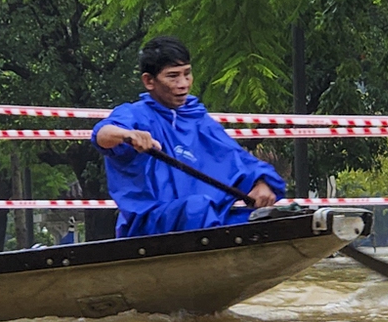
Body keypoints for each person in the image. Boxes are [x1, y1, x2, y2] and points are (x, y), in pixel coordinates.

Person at [93, 35, 286, 237]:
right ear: (149, 81)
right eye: (173, 76)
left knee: (265, 220)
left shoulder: (200, 120)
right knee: (197, 207)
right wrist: (128, 135)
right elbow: (102, 134)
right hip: (152, 224)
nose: (183, 83)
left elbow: (239, 159)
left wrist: (260, 183)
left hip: (206, 217)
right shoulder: (134, 114)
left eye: (187, 74)